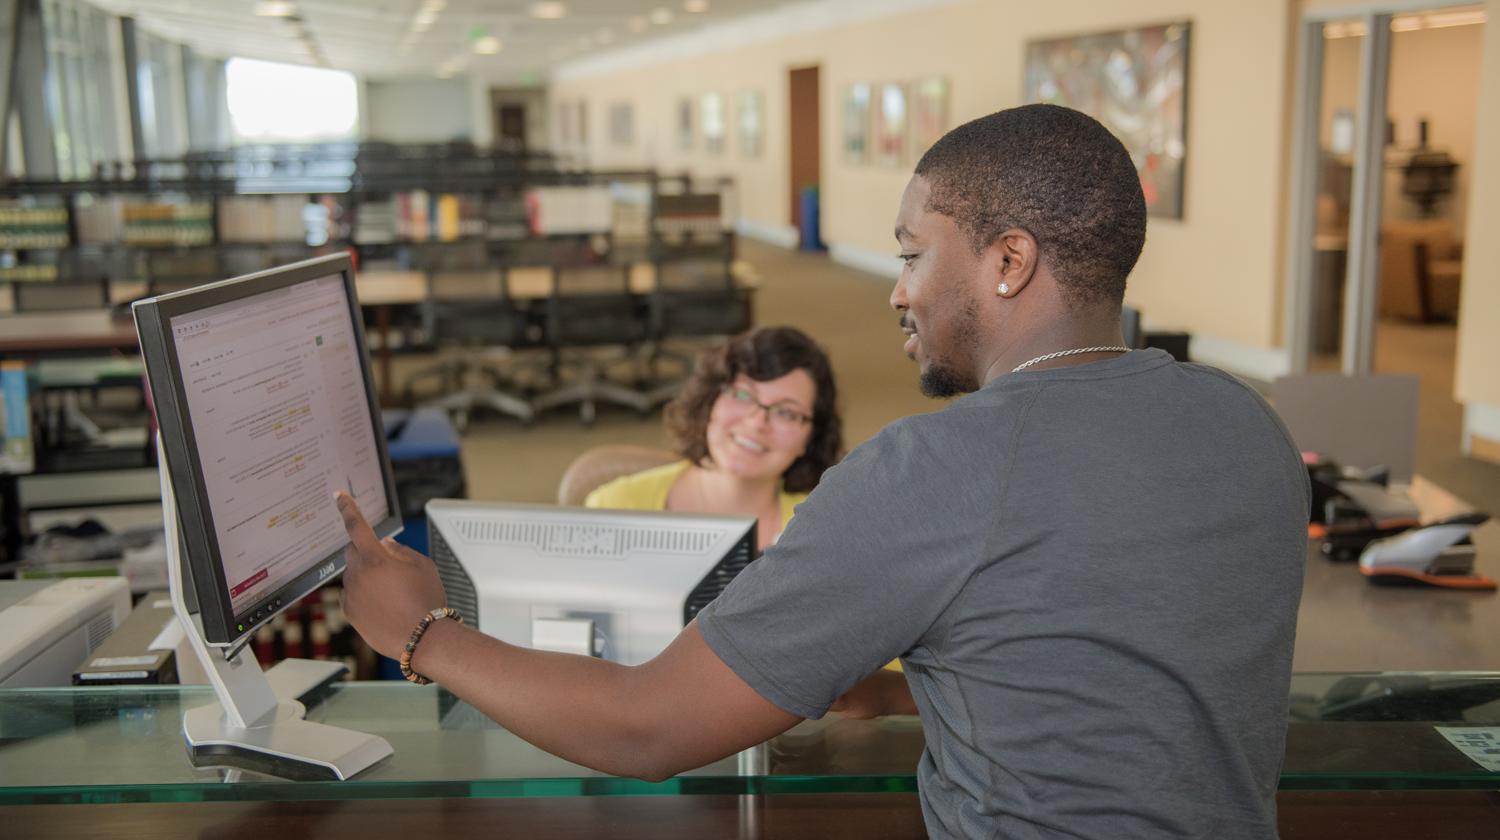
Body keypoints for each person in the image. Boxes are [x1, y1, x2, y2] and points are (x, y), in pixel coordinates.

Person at [336, 104, 1308, 839]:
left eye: (913, 254)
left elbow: (646, 730)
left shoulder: (934, 469)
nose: (896, 290)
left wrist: (424, 633)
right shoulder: (1248, 424)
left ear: (1009, 261)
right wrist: (904, 690)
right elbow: (1120, 661)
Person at [584, 325, 843, 551]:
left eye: (786, 412)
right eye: (742, 395)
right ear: (709, 401)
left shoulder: (825, 533)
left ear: (811, 438)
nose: (756, 423)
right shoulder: (615, 509)